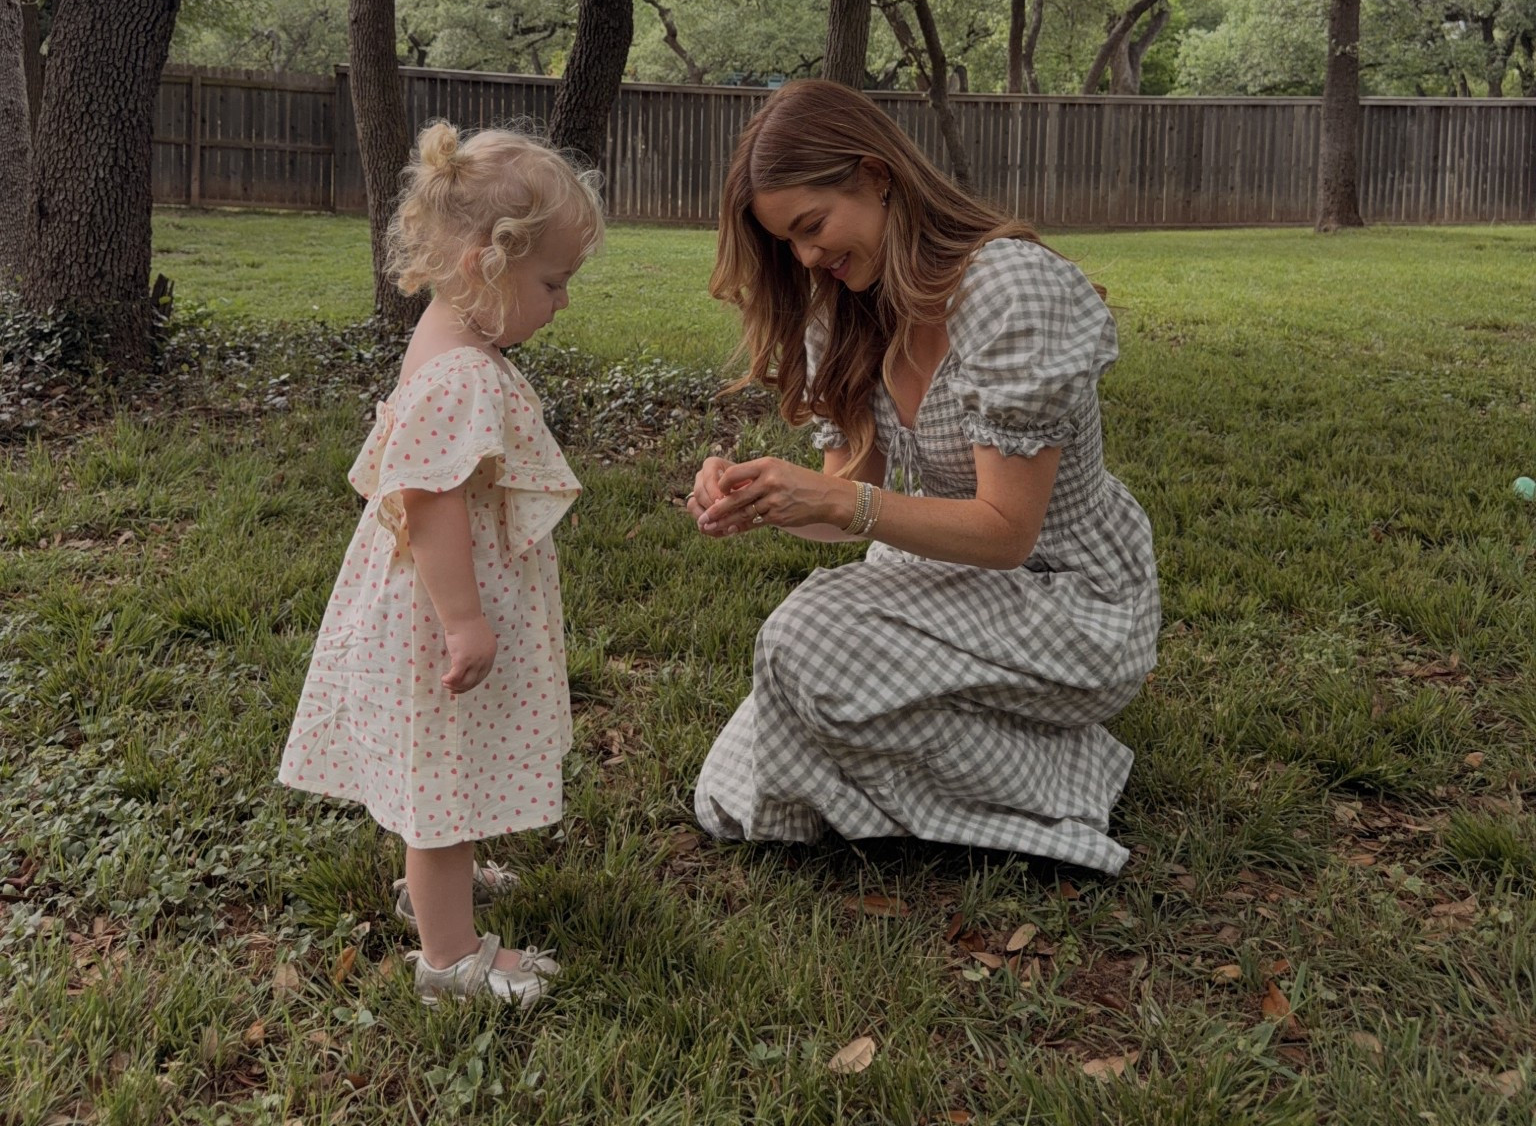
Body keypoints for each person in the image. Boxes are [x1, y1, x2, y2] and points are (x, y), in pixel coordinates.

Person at [688, 81, 1158, 875]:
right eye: (788, 244)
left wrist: (843, 497)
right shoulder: (844, 311)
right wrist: (767, 499)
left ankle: (1069, 775)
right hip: (939, 583)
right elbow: (846, 503)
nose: (807, 259)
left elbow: (1008, 533)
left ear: (877, 176)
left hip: (1069, 597)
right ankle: (980, 757)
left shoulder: (1009, 290)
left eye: (813, 227)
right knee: (732, 791)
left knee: (801, 644)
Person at [279, 121, 602, 1006]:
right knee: (443, 775)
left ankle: (440, 885)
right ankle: (449, 958)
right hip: (437, 609)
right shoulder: (463, 376)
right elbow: (428, 498)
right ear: (482, 270)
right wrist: (465, 619)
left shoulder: (450, 342)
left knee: (442, 768)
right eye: (551, 283)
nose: (561, 303)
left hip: (420, 600)